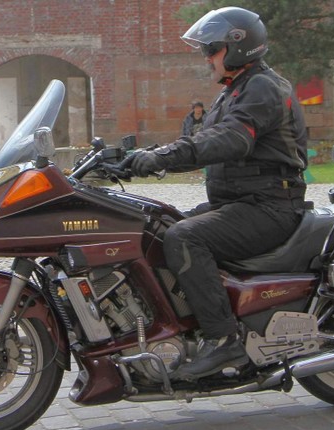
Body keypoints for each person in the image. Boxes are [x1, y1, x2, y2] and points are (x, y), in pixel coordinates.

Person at [129, 7, 308, 380]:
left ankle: (223, 340)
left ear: (239, 46)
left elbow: (230, 139)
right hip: (241, 204)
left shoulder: (264, 87)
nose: (206, 57)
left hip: (270, 207)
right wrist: (132, 159)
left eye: (211, 49)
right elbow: (204, 142)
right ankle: (180, 326)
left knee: (184, 238)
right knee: (159, 225)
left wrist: (161, 157)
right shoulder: (235, 90)